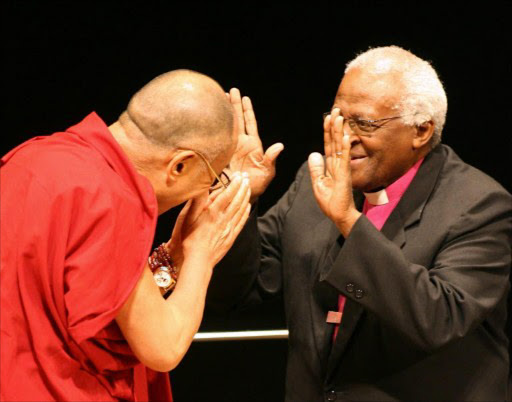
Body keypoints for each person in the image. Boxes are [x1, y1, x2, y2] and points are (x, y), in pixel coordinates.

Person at [209, 46, 512, 401]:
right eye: (339, 119)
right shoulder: (313, 183)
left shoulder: (480, 205)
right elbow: (239, 290)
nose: (346, 137)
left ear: (422, 131)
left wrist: (348, 220)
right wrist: (240, 197)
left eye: (364, 124)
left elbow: (439, 319)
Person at [0, 70, 252, 401]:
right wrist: (201, 254)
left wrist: (172, 255)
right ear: (180, 166)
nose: (206, 192)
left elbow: (95, 290)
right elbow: (164, 346)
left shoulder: (33, 156)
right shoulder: (111, 200)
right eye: (213, 178)